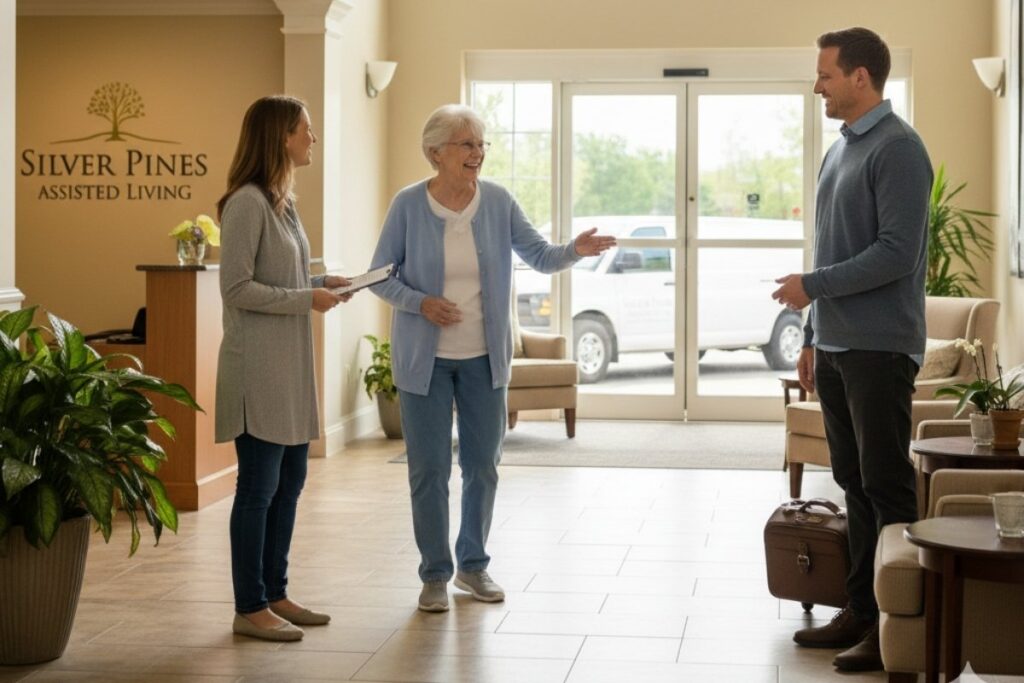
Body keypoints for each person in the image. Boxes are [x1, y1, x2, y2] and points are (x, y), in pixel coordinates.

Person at [368, 104, 615, 612]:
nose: (477, 153)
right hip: (424, 361)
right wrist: (421, 303)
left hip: (484, 359)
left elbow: (540, 255)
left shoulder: (498, 201)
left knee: (483, 466)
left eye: (480, 144)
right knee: (430, 470)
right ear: (436, 152)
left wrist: (575, 248)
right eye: (466, 144)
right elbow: (380, 275)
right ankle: (435, 575)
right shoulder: (409, 205)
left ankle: (472, 568)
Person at [772, 28, 932, 673]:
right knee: (852, 482)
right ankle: (863, 609)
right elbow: (831, 248)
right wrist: (813, 336)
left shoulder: (898, 149)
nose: (818, 86)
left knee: (887, 485)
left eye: (826, 76)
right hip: (838, 344)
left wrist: (812, 289)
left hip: (879, 346)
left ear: (861, 76)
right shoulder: (840, 150)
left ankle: (900, 623)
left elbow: (897, 253)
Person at [215, 95, 354, 642]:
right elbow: (237, 288)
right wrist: (306, 300)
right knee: (258, 488)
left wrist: (325, 285)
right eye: (306, 130)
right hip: (258, 373)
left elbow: (291, 278)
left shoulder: (284, 204)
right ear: (281, 137)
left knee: (290, 482)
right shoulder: (247, 203)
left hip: (290, 371)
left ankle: (275, 592)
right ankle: (248, 606)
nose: (312, 139)